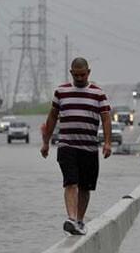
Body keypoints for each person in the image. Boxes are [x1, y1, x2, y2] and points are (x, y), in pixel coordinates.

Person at [40, 57, 112, 236]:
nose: (80, 78)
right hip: (67, 145)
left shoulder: (98, 94)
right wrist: (46, 143)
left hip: (89, 148)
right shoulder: (61, 92)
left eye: (83, 74)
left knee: (85, 187)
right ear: (71, 73)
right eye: (76, 75)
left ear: (88, 72)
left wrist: (108, 142)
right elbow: (52, 117)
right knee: (70, 182)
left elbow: (106, 118)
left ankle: (80, 220)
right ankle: (71, 218)